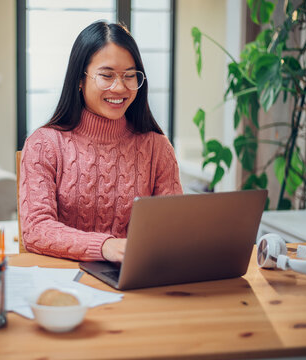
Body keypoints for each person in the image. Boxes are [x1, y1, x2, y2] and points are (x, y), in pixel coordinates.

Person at [19, 21, 183, 263]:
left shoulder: (156, 147)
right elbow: (36, 229)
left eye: (130, 76)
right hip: (63, 283)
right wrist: (105, 246)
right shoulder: (44, 144)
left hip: (134, 281)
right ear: (80, 79)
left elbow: (174, 229)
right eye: (106, 76)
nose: (120, 87)